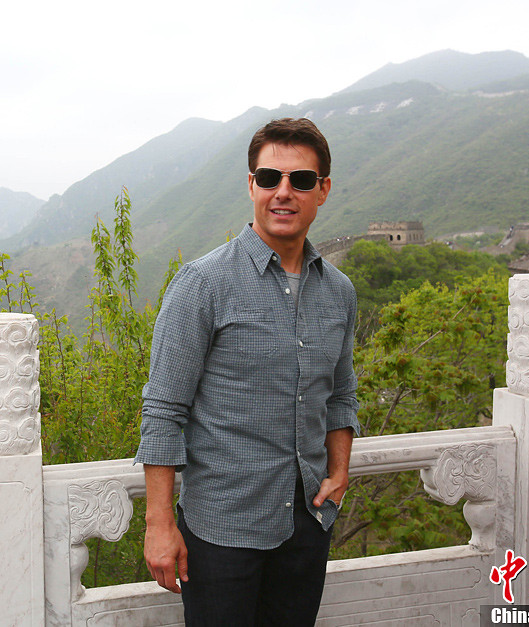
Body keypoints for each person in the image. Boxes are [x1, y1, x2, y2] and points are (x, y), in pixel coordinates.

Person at [134, 117, 360, 626]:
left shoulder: (339, 292)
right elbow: (164, 409)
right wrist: (159, 524)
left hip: (308, 521)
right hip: (222, 530)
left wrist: (340, 469)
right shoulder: (203, 283)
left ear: (322, 190)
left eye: (301, 180)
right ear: (252, 186)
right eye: (270, 178)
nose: (284, 192)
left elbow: (340, 394)